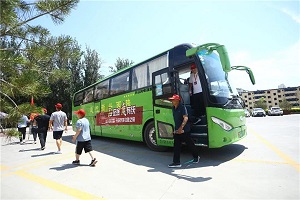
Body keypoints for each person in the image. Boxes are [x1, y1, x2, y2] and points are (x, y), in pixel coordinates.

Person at [168, 94, 200, 168]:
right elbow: (176, 120)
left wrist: (181, 128)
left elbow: (185, 118)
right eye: (171, 100)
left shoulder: (182, 108)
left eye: (173, 100)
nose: (172, 101)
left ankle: (196, 157)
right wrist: (175, 130)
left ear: (177, 100)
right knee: (176, 146)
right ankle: (176, 162)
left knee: (190, 144)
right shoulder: (173, 108)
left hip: (184, 130)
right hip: (177, 131)